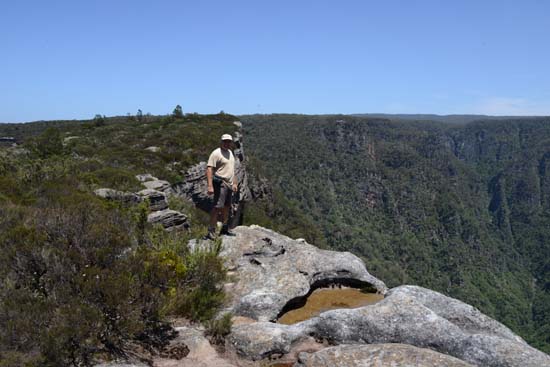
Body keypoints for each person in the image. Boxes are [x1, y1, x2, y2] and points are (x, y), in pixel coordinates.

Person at [205, 134, 238, 239]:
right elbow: (209, 169)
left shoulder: (230, 153)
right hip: (220, 183)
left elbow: (232, 170)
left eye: (229, 141)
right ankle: (211, 231)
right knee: (217, 207)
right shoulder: (216, 153)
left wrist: (235, 183)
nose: (227, 143)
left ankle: (225, 228)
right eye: (225, 141)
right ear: (221, 141)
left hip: (229, 184)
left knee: (227, 207)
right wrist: (210, 186)